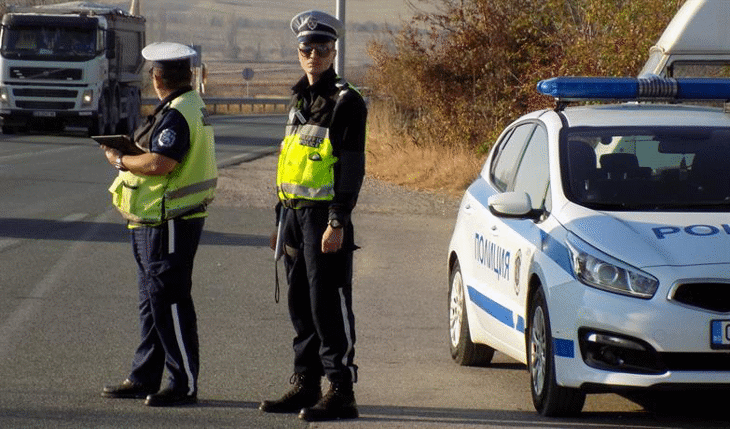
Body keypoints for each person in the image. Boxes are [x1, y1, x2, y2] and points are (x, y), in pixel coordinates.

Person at [259, 10, 367, 422]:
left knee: (328, 302)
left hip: (325, 218)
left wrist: (337, 221)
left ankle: (341, 390)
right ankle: (305, 383)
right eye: (307, 49)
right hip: (293, 215)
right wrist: (277, 220)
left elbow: (352, 167)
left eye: (322, 49)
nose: (314, 56)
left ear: (334, 51)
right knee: (300, 302)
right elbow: (290, 164)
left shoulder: (346, 101)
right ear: (298, 52)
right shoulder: (299, 97)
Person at [100, 42, 217, 407]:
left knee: (169, 301)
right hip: (157, 219)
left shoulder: (178, 112)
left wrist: (121, 160)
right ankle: (145, 376)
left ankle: (183, 383)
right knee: (152, 302)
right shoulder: (187, 106)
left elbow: (161, 163)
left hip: (169, 219)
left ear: (157, 78)